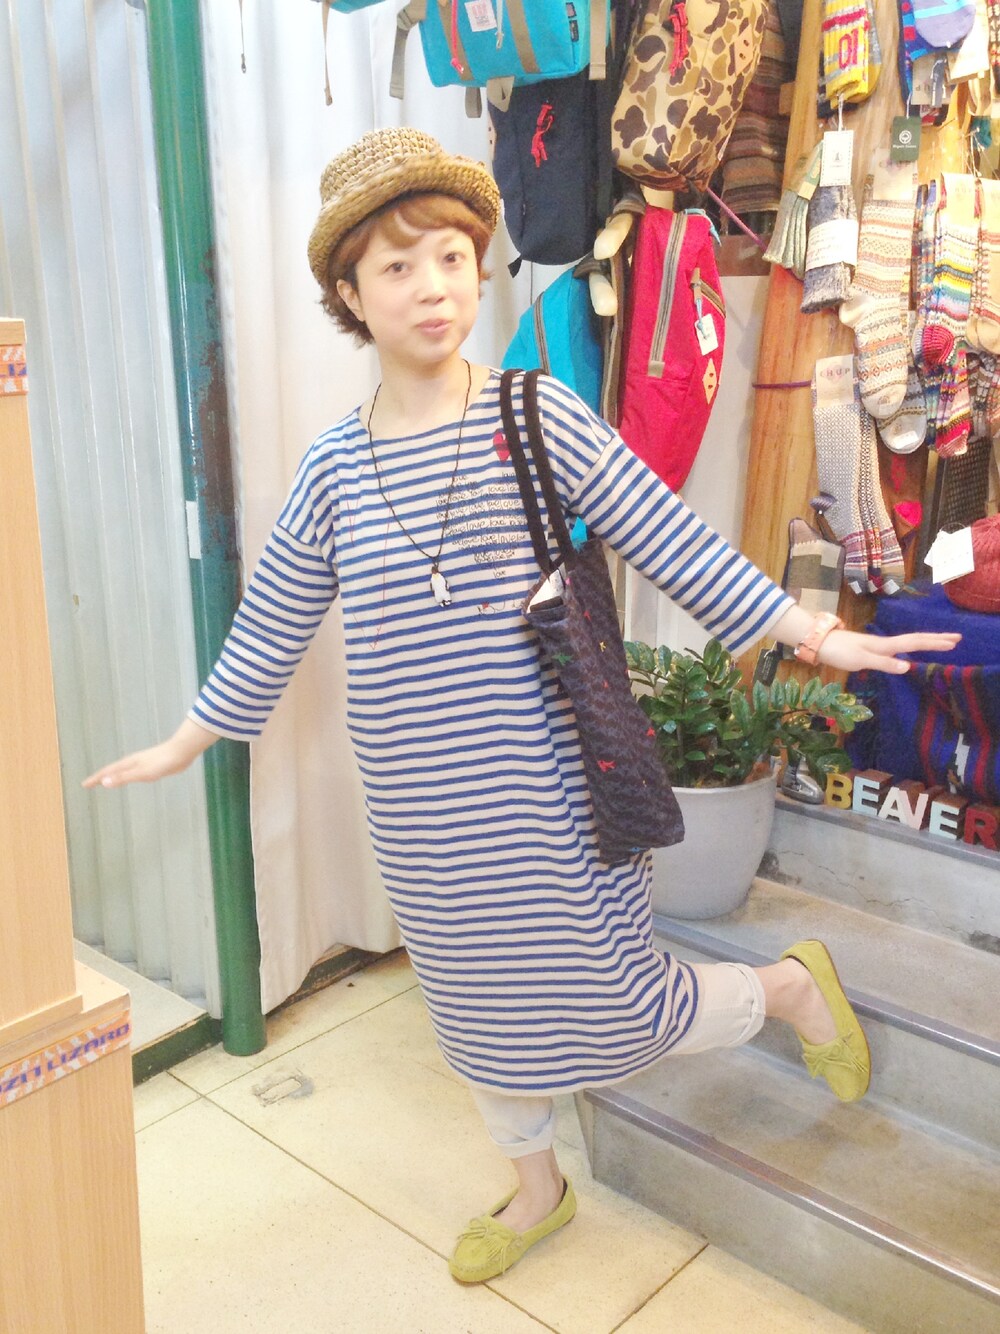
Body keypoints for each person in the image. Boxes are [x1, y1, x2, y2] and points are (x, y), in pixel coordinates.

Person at [85, 127, 961, 1284]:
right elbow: (271, 625)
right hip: (423, 817)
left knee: (620, 1006)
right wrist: (188, 735)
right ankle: (539, 1187)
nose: (432, 286)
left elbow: (669, 537)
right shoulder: (332, 469)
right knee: (474, 1014)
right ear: (349, 292)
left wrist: (811, 631)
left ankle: (788, 986)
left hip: (556, 789)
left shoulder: (533, 414)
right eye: (397, 265)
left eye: (451, 256)